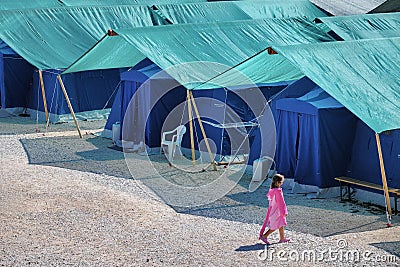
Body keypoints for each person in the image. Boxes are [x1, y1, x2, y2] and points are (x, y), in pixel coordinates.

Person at [259, 173, 290, 245]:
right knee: (275, 226)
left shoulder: (272, 190)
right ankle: (264, 236)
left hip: (273, 210)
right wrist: (284, 212)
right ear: (278, 182)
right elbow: (281, 203)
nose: (281, 184)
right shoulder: (278, 191)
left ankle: (282, 238)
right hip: (277, 212)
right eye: (281, 182)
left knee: (281, 224)